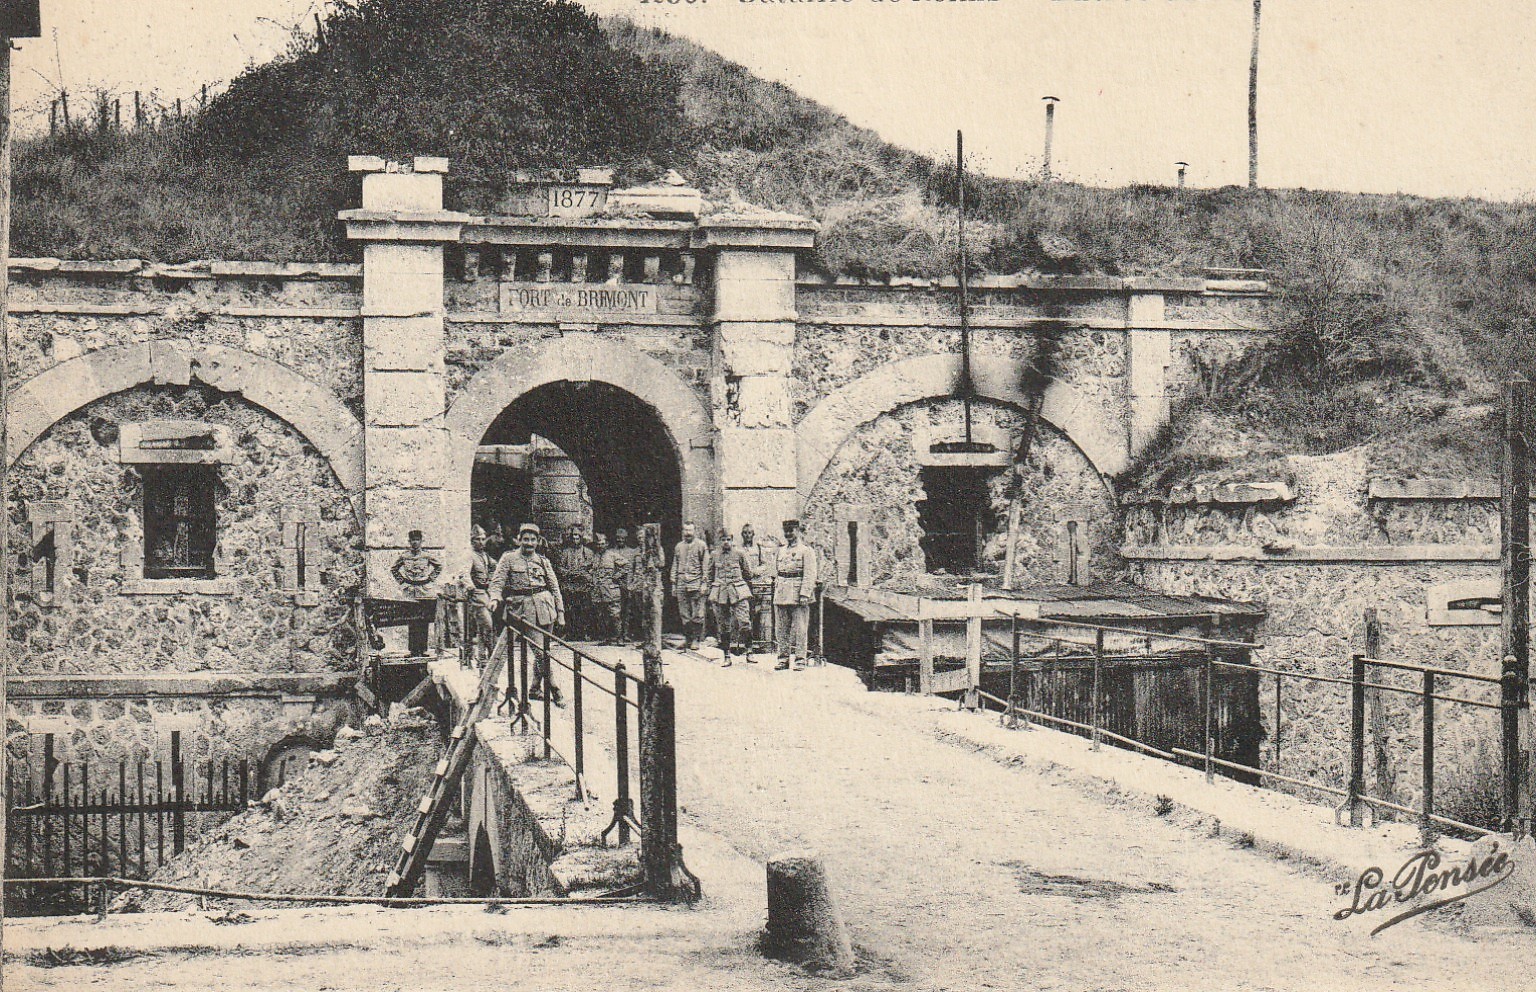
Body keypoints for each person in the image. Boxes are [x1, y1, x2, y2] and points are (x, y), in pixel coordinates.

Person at [489, 523, 565, 702]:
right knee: (540, 652)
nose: (529, 543)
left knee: (544, 649)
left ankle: (534, 688)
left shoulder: (543, 561)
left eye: (533, 540)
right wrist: (494, 598)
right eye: (526, 539)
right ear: (519, 539)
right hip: (523, 610)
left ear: (538, 541)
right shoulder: (508, 559)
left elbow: (554, 588)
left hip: (546, 609)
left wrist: (560, 612)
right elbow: (497, 582)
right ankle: (554, 688)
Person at [773, 519, 818, 671]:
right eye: (786, 531)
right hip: (781, 593)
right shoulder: (781, 550)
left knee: (800, 629)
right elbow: (777, 571)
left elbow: (810, 574)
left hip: (798, 594)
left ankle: (800, 659)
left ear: (798, 531)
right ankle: (783, 659)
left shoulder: (806, 551)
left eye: (791, 530)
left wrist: (805, 593)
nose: (788, 534)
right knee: (781, 629)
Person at [707, 529, 755, 666]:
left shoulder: (740, 553)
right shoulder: (714, 555)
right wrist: (710, 590)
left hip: (738, 591)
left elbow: (747, 573)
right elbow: (710, 574)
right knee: (723, 626)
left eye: (728, 539)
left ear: (732, 540)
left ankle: (749, 652)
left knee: (744, 621)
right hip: (721, 592)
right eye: (723, 539)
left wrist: (746, 589)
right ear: (719, 541)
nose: (726, 542)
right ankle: (726, 656)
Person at [670, 522, 709, 650]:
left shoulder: (701, 545)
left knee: (698, 613)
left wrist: (704, 583)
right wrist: (674, 584)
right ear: (683, 531)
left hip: (696, 582)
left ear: (694, 531)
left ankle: (696, 640)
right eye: (686, 530)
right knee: (684, 613)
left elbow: (706, 566)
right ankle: (688, 639)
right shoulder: (678, 546)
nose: (688, 533)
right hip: (681, 582)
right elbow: (675, 564)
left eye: (690, 530)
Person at [554, 523, 595, 640]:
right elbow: (560, 568)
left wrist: (583, 573)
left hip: (583, 585)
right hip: (570, 585)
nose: (575, 538)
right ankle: (570, 632)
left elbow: (591, 567)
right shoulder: (565, 552)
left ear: (581, 537)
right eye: (573, 536)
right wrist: (569, 573)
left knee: (584, 610)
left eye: (577, 536)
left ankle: (584, 632)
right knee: (570, 609)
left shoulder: (588, 552)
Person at [741, 523, 777, 652]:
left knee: (756, 613)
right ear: (742, 535)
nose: (747, 535)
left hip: (756, 585)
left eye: (749, 533)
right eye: (745, 533)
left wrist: (756, 571)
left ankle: (758, 644)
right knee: (744, 615)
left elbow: (765, 565)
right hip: (743, 585)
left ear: (753, 534)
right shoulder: (739, 549)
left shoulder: (758, 548)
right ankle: (744, 645)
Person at [466, 524, 496, 662]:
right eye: (478, 539)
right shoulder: (470, 556)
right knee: (487, 625)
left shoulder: (485, 556)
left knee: (483, 627)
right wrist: (470, 587)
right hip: (477, 595)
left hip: (487, 593)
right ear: (472, 541)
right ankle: (491, 653)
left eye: (483, 539)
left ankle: (482, 656)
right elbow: (463, 574)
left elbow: (494, 568)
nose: (481, 542)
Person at [590, 532, 625, 645]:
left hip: (611, 590)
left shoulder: (612, 555)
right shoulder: (594, 556)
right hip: (598, 591)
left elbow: (626, 566)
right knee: (602, 615)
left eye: (602, 543)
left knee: (615, 615)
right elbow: (589, 569)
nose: (600, 546)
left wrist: (616, 576)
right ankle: (607, 638)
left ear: (607, 544)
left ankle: (619, 638)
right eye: (598, 544)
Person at [612, 527, 640, 643]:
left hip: (628, 584)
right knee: (615, 611)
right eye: (618, 538)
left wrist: (632, 583)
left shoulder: (632, 552)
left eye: (622, 538)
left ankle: (626, 633)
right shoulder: (611, 552)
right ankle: (617, 634)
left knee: (627, 611)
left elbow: (634, 569)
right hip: (615, 584)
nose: (620, 540)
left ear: (626, 539)